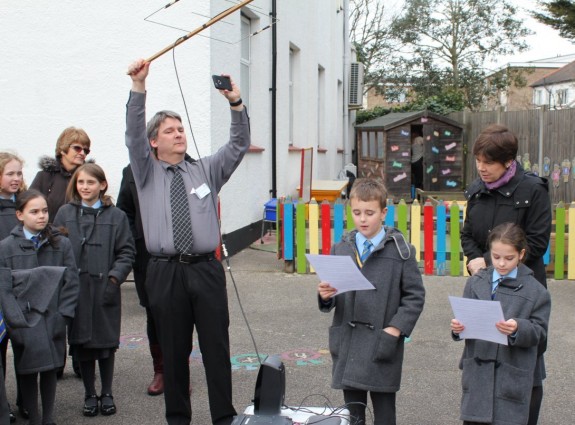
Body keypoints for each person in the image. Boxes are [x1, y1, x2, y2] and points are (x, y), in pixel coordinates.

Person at [125, 59, 250, 425]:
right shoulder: (145, 172)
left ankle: (223, 417)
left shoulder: (206, 169)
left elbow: (239, 144)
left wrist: (235, 103)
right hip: (165, 273)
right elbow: (132, 134)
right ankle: (178, 419)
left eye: (181, 128)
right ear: (154, 141)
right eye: (169, 130)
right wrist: (139, 87)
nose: (179, 134)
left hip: (206, 271)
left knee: (216, 350)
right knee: (175, 353)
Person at [317, 178, 425, 425]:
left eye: (369, 213)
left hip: (382, 343)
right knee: (353, 414)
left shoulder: (401, 251)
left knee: (385, 415)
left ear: (384, 212)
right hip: (349, 342)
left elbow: (415, 296)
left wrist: (395, 330)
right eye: (357, 213)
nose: (363, 219)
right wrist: (325, 296)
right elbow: (332, 294)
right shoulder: (340, 248)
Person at [53, 163, 134, 417]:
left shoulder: (116, 216)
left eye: (90, 182)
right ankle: (89, 393)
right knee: (82, 344)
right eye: (80, 183)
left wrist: (114, 279)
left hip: (104, 288)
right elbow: (54, 248)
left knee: (106, 343)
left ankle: (106, 392)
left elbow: (127, 251)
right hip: (76, 290)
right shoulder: (65, 213)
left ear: (102, 185)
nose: (85, 187)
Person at [451, 222, 551, 425]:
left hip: (511, 374)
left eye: (509, 258)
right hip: (478, 373)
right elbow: (464, 319)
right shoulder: (476, 282)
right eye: (496, 257)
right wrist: (457, 329)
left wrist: (518, 328)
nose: (501, 264)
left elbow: (540, 332)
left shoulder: (536, 291)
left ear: (521, 254)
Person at [0, 190, 79, 425]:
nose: (41, 216)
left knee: (49, 369)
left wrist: (63, 315)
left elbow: (71, 282)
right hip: (22, 322)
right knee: (27, 369)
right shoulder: (5, 248)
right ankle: (33, 417)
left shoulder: (61, 244)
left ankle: (48, 418)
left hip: (52, 318)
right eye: (34, 212)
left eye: (45, 210)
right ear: (19, 215)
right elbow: (4, 289)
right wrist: (16, 323)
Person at [462, 124, 551, 287]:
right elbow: (467, 235)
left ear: (509, 161)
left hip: (523, 287)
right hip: (484, 283)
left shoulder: (533, 189)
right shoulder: (476, 189)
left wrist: (488, 261)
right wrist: (476, 260)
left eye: (488, 162)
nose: (481, 168)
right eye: (478, 160)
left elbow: (537, 242)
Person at [30, 127, 91, 222]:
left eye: (86, 150)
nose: (82, 153)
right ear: (63, 149)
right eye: (77, 148)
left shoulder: (89, 177)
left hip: (80, 234)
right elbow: (30, 208)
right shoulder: (45, 176)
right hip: (50, 234)